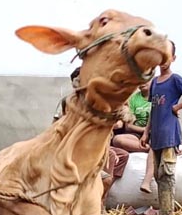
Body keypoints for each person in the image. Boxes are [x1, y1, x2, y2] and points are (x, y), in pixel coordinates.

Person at [139, 41, 182, 215]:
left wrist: (177, 107)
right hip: (156, 135)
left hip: (169, 134)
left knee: (167, 172)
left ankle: (168, 213)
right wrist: (146, 132)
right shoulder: (155, 83)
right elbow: (153, 108)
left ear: (173, 58)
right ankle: (165, 209)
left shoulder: (175, 79)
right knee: (158, 175)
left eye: (167, 56)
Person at [54, 67, 129, 207]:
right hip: (76, 147)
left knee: (116, 158)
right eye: (77, 82)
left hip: (95, 146)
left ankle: (101, 200)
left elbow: (106, 128)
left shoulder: (97, 102)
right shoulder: (67, 102)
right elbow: (57, 124)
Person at [111, 81, 151, 153]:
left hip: (154, 133)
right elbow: (128, 126)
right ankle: (150, 149)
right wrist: (144, 130)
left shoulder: (159, 97)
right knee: (117, 140)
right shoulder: (132, 99)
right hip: (137, 134)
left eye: (146, 80)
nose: (142, 83)